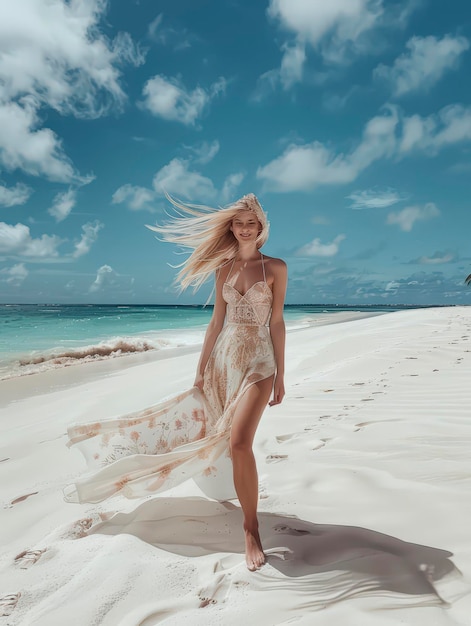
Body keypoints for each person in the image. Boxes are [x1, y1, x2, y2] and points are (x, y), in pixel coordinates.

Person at [65, 193, 287, 571]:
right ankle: (230, 494)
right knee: (225, 442)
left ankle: (251, 529)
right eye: (239, 222)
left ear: (262, 226)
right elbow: (216, 322)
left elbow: (276, 322)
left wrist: (281, 373)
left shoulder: (276, 268)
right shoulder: (224, 270)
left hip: (259, 362)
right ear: (231, 228)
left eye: (252, 222)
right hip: (223, 362)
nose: (245, 228)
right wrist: (201, 370)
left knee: (239, 440)